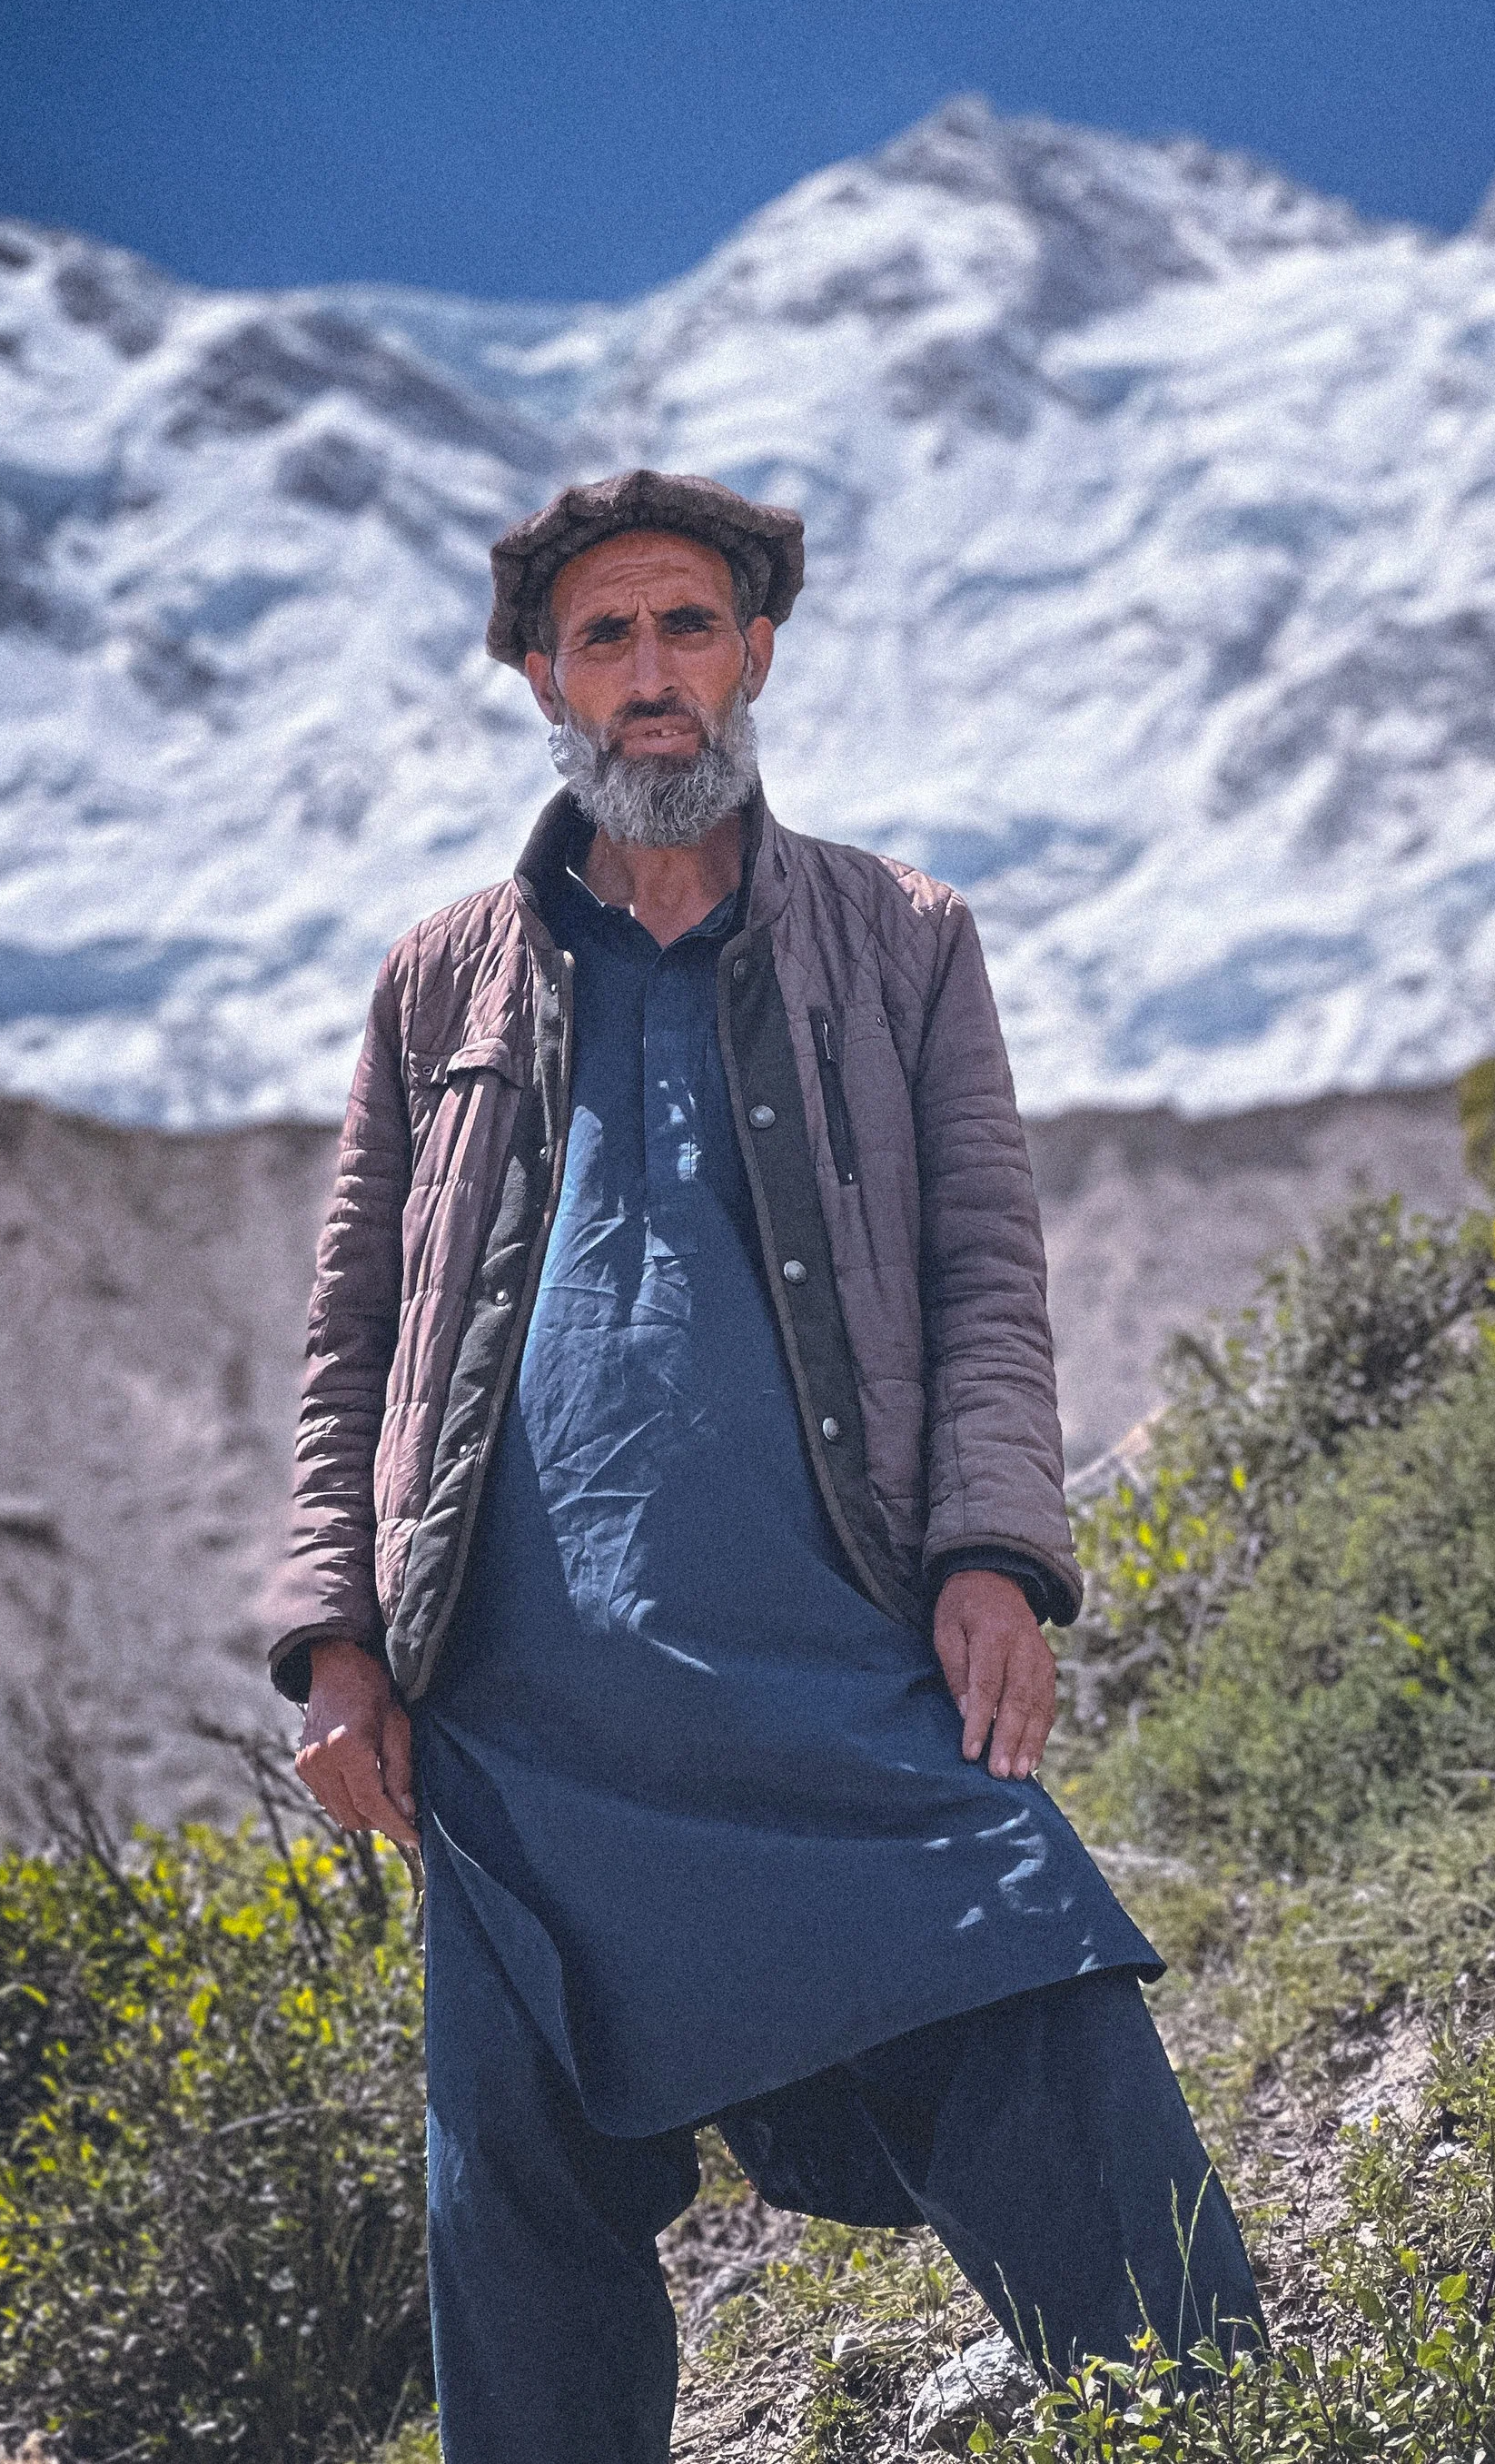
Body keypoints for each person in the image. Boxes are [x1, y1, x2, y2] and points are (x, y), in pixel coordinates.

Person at [265, 470, 1262, 2461]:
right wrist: (332, 1641)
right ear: (542, 679)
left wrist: (994, 1547)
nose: (652, 675)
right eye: (606, 637)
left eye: (688, 629)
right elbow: (350, 1339)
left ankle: (1220, 2429)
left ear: (756, 656)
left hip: (825, 1669)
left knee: (1036, 2001)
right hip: (517, 1720)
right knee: (523, 2220)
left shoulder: (900, 938)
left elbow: (988, 1268)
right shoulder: (436, 976)